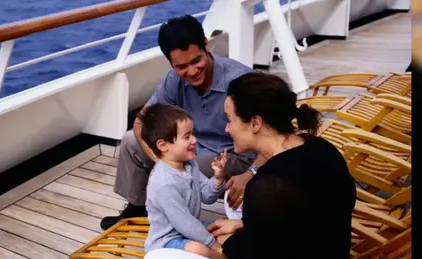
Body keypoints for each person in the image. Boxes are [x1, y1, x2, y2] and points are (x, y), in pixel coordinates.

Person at [102, 14, 263, 230]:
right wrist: (162, 163)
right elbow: (142, 121)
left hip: (234, 155)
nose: (192, 71)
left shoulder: (239, 80)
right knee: (131, 140)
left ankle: (179, 223)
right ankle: (139, 206)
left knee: (190, 167)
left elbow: (276, 133)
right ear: (171, 62)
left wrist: (251, 172)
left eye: (197, 60)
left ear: (206, 45)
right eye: (181, 66)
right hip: (190, 147)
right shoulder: (174, 80)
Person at [206, 72, 357, 258]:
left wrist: (221, 245)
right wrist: (247, 225)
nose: (227, 129)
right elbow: (306, 222)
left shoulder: (268, 185)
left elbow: (251, 252)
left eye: (230, 119)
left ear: (255, 123)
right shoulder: (322, 148)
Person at [140, 103, 226, 258]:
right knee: (198, 249)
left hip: (189, 230)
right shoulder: (164, 183)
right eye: (187, 137)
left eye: (193, 134)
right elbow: (184, 223)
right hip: (167, 240)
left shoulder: (189, 165)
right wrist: (214, 245)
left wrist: (217, 179)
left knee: (223, 231)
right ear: (163, 145)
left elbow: (207, 196)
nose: (194, 140)